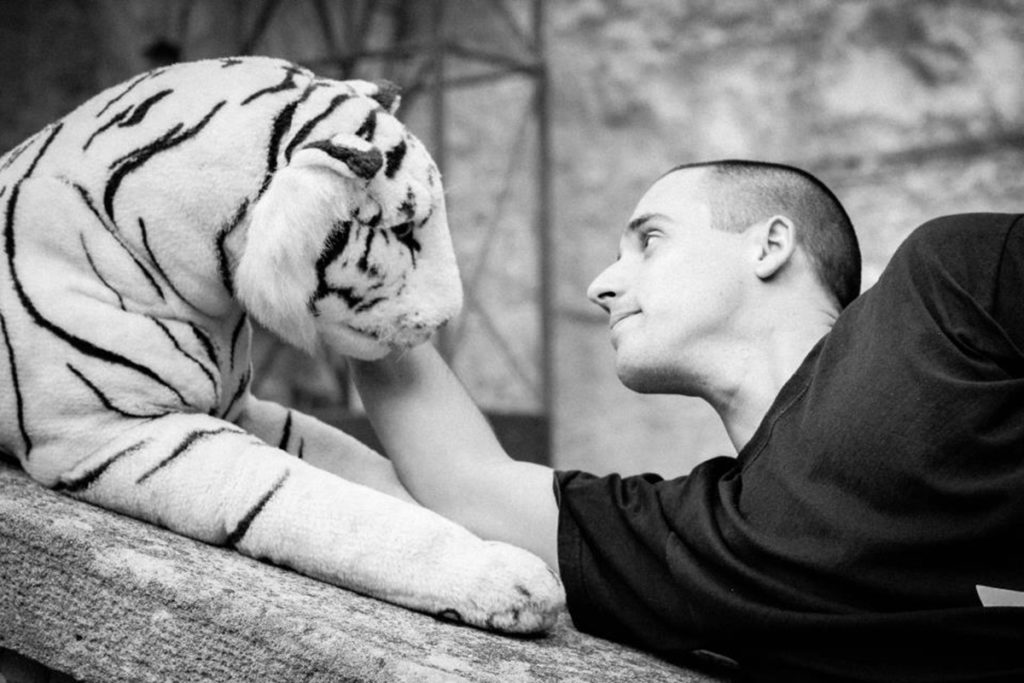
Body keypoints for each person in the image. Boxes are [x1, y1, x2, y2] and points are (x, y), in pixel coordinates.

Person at [348, 160, 1024, 681]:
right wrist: (346, 259)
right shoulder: (712, 545)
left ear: (769, 245)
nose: (601, 285)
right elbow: (464, 479)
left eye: (650, 240)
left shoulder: (943, 286)